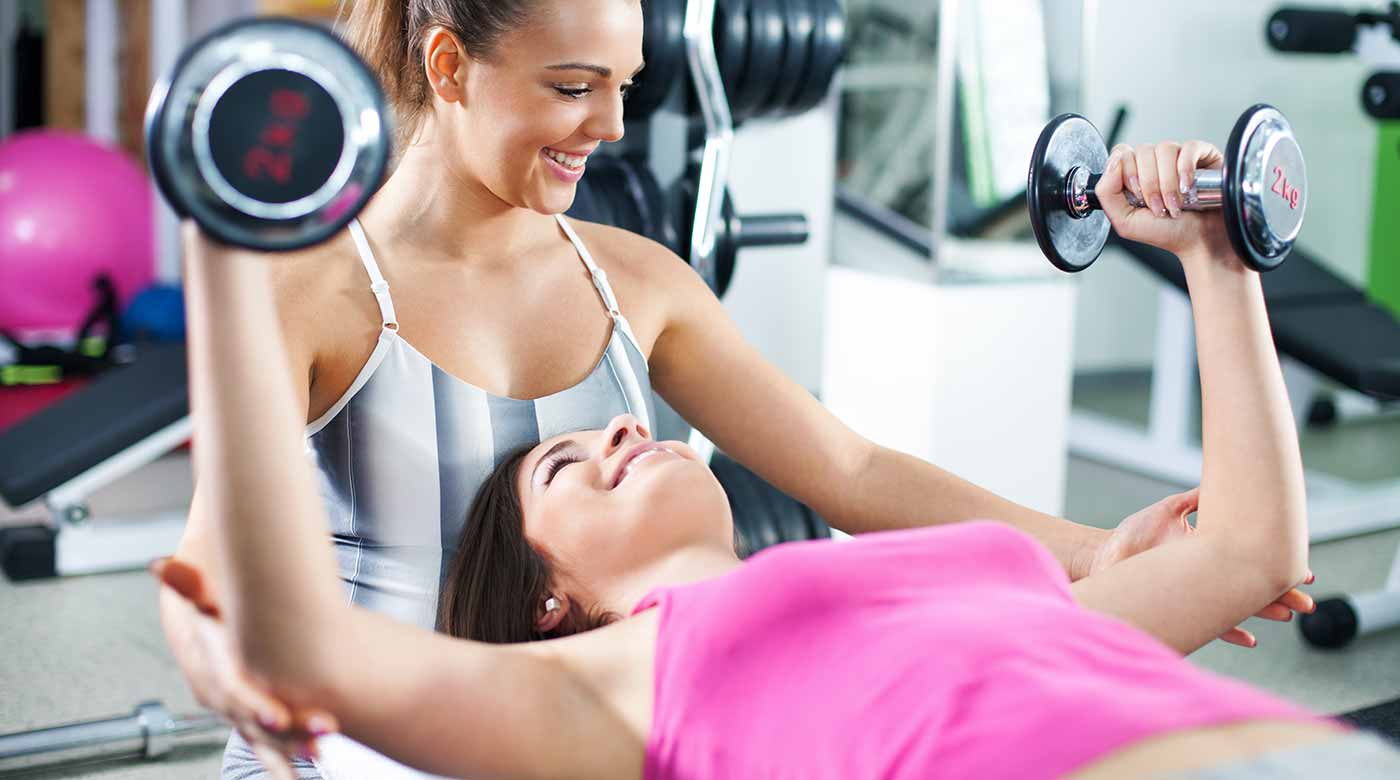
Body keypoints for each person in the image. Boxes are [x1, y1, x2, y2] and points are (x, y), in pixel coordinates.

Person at [154, 1, 1313, 776]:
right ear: (450, 65)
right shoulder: (313, 285)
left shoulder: (629, 281)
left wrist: (1090, 553)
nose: (608, 127)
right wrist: (220, 642)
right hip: (382, 739)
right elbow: (216, 564)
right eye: (571, 86)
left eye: (624, 83)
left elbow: (848, 470)